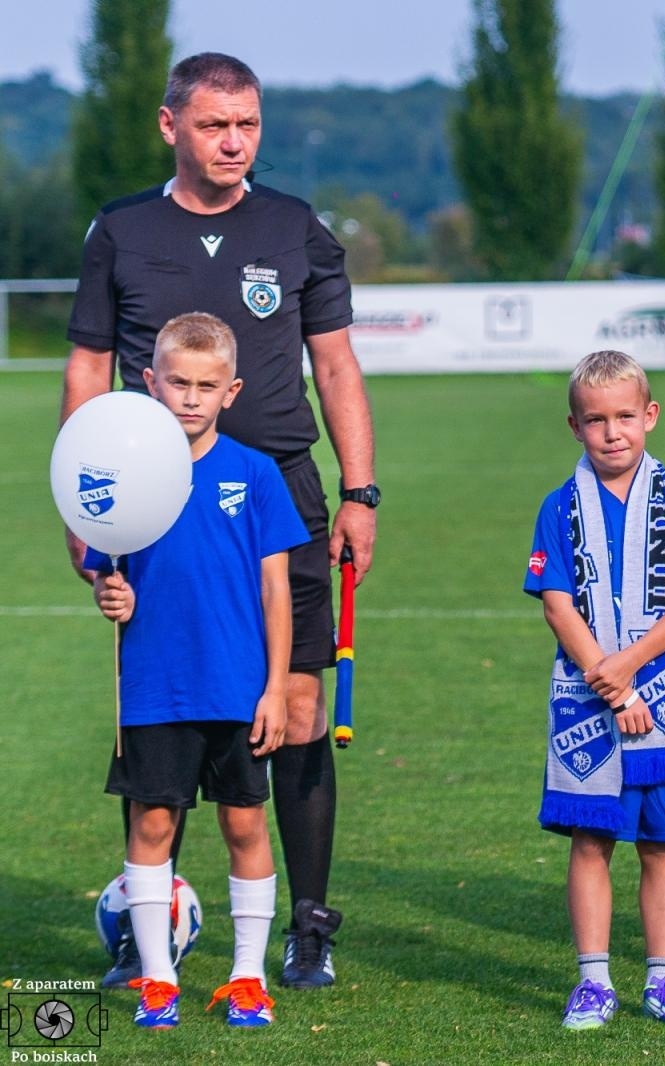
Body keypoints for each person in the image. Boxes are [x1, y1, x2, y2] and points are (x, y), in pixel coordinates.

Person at [63, 52, 376, 990]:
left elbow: (337, 365)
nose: (234, 140)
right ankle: (147, 937)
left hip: (278, 487)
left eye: (247, 123)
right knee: (158, 706)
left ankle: (307, 927)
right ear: (172, 127)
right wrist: (82, 507)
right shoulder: (121, 228)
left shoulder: (294, 228)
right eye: (213, 125)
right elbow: (85, 373)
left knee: (299, 704)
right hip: (150, 501)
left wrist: (359, 492)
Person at [87, 313, 308, 1029]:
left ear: (231, 390)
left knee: (246, 825)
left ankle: (247, 978)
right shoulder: (123, 475)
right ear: (150, 382)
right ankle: (158, 979)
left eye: (205, 386)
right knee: (152, 822)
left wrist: (275, 687)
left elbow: (277, 590)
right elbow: (107, 575)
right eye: (176, 382)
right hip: (155, 685)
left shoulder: (255, 473)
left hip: (239, 687)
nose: (189, 397)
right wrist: (108, 593)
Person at [524, 350, 665, 1031]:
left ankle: (664, 981)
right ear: (574, 426)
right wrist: (609, 684)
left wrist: (632, 664)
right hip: (587, 700)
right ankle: (593, 981)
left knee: (662, 844)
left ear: (650, 417)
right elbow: (556, 602)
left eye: (623, 418)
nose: (611, 433)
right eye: (594, 421)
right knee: (591, 843)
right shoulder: (559, 506)